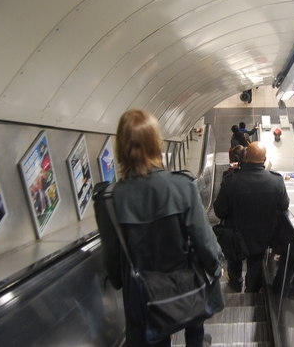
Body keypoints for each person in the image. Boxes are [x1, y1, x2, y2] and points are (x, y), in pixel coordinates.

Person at [93, 109, 223, 347]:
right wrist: (215, 266)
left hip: (143, 295)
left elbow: (112, 258)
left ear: (120, 148)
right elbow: (204, 240)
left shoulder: (108, 200)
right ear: (156, 144)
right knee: (195, 324)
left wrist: (118, 281)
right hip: (185, 285)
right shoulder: (182, 186)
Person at [214, 141, 289, 293]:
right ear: (264, 159)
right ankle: (251, 292)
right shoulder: (276, 181)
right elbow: (284, 205)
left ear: (246, 157)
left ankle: (235, 285)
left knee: (234, 262)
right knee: (256, 265)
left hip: (234, 237)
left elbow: (219, 211)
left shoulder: (231, 181)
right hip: (261, 238)